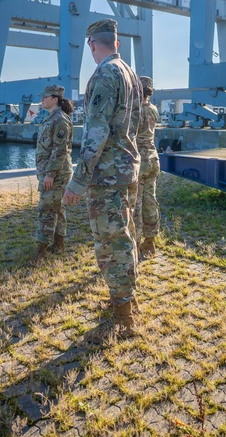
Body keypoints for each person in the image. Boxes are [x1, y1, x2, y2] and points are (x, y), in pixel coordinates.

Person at [63, 18, 141, 341]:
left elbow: (96, 131)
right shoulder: (131, 74)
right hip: (126, 168)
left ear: (92, 45)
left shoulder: (105, 74)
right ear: (117, 43)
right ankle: (127, 299)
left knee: (110, 240)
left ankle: (123, 312)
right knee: (125, 234)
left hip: (107, 172)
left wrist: (77, 181)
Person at [32, 84, 74, 261]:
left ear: (55, 99)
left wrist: (50, 174)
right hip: (51, 172)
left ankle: (41, 249)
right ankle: (59, 244)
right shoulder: (51, 118)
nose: (42, 99)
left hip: (55, 173)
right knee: (57, 209)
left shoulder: (60, 120)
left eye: (45, 97)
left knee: (47, 209)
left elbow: (60, 150)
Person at [134, 76, 161, 257]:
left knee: (135, 204)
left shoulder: (134, 111)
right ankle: (150, 241)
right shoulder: (153, 109)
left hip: (138, 161)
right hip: (153, 158)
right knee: (150, 201)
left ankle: (134, 244)